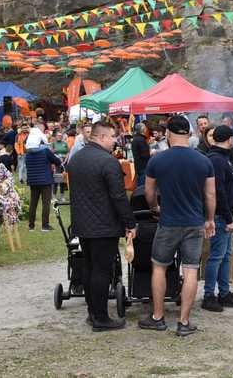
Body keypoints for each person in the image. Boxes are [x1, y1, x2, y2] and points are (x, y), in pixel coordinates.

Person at [138, 115, 216, 337]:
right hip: (194, 223)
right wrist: (209, 219)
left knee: (160, 267)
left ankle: (158, 317)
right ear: (189, 133)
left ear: (169, 134)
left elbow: (149, 192)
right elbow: (210, 194)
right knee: (191, 269)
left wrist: (155, 208)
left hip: (168, 222)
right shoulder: (203, 161)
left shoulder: (157, 160)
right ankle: (183, 322)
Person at [68, 121, 137, 332]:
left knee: (89, 268)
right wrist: (129, 223)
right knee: (101, 271)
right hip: (103, 225)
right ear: (102, 137)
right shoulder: (108, 162)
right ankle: (100, 317)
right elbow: (118, 196)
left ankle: (93, 312)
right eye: (113, 136)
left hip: (83, 223)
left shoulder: (76, 158)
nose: (115, 140)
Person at [202, 125, 233, 312]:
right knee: (217, 256)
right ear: (228, 139)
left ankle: (224, 292)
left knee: (226, 255)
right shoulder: (217, 160)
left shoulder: (224, 158)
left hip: (227, 212)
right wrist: (228, 218)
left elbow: (229, 185)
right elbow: (217, 191)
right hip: (221, 215)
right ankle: (209, 295)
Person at [25, 128, 63, 232]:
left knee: (33, 203)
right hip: (45, 180)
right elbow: (57, 161)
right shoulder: (45, 151)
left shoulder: (28, 152)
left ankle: (31, 226)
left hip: (33, 181)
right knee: (45, 203)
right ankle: (45, 226)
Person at [131, 123, 151, 187]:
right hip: (143, 166)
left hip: (138, 165)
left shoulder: (135, 139)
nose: (146, 129)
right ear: (142, 129)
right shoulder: (140, 140)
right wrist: (151, 152)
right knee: (142, 186)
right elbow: (145, 155)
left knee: (140, 183)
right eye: (145, 127)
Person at [51, 133, 69, 200]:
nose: (59, 137)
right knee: (56, 179)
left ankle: (62, 196)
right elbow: (51, 153)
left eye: (60, 136)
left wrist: (65, 161)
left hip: (64, 164)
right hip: (56, 164)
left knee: (63, 180)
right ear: (56, 137)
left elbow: (68, 152)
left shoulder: (65, 143)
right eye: (58, 136)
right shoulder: (53, 143)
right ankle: (54, 196)